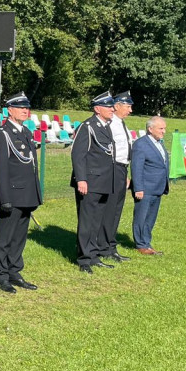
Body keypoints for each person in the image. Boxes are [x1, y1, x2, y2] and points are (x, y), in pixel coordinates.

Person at [0, 92, 42, 292]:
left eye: (26, 107)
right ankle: (1, 274)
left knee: (19, 236)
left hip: (27, 194)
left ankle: (14, 271)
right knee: (4, 237)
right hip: (11, 194)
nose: (25, 110)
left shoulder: (25, 132)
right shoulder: (3, 134)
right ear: (9, 110)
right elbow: (1, 169)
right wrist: (3, 197)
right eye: (20, 107)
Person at [71, 91, 119, 274]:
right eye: (108, 106)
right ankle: (84, 258)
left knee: (96, 221)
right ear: (97, 109)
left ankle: (93, 255)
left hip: (104, 181)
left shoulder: (105, 126)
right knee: (86, 220)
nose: (112, 109)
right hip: (90, 182)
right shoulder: (88, 126)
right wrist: (81, 179)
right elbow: (78, 154)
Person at [131, 117, 169, 255]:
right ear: (150, 129)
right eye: (161, 128)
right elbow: (136, 167)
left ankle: (146, 242)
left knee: (150, 218)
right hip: (145, 189)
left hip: (157, 188)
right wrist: (138, 188)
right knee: (141, 217)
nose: (164, 131)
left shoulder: (159, 143)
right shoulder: (141, 144)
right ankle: (141, 244)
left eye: (164, 128)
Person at [105, 90, 134, 263]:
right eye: (128, 106)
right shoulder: (110, 124)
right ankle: (106, 246)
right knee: (110, 211)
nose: (130, 110)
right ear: (117, 106)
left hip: (122, 169)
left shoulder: (121, 124)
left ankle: (109, 245)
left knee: (116, 210)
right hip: (112, 169)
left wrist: (125, 174)